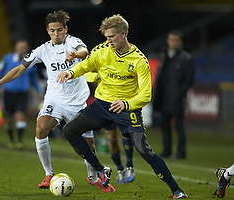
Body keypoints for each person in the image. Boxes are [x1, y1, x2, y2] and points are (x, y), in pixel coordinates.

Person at [0, 10, 115, 193]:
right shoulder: (42, 50)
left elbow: (84, 52)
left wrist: (75, 56)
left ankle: (93, 178)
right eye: (53, 30)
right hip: (54, 100)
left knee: (88, 146)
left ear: (66, 29)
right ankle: (48, 174)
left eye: (60, 30)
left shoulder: (74, 42)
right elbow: (20, 69)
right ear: (47, 31)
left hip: (77, 102)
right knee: (40, 128)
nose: (57, 34)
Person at [57, 14, 188, 199]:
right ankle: (100, 170)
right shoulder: (102, 50)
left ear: (123, 34)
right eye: (106, 37)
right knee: (69, 130)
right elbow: (86, 65)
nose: (108, 40)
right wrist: (70, 72)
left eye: (112, 36)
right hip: (102, 104)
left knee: (143, 149)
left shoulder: (138, 60)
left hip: (127, 108)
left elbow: (145, 95)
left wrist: (126, 103)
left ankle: (176, 190)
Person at [85, 72, 135, 184]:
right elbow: (83, 72)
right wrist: (96, 76)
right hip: (106, 104)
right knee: (112, 138)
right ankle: (120, 168)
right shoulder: (97, 57)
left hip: (122, 101)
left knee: (126, 134)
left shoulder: (119, 58)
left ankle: (129, 167)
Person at [0, 40, 42, 149]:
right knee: (8, 118)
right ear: (15, 48)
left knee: (20, 115)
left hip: (23, 93)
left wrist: (38, 90)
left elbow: (34, 78)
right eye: (20, 47)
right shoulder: (7, 59)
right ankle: (11, 140)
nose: (21, 49)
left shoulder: (30, 61)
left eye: (24, 47)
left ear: (27, 49)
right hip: (9, 92)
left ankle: (19, 141)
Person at [152, 30, 194, 159]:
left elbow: (188, 80)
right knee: (164, 125)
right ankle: (167, 150)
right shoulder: (163, 56)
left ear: (180, 42)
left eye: (176, 40)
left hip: (176, 97)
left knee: (178, 125)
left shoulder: (186, 58)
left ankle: (181, 152)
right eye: (171, 40)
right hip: (164, 96)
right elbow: (159, 77)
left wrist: (180, 94)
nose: (173, 42)